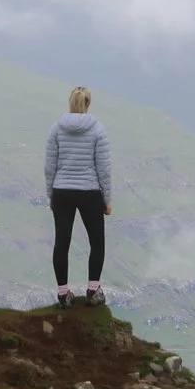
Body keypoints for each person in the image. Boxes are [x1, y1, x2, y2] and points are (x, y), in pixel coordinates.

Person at [45, 86, 112, 306]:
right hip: (89, 192)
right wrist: (107, 199)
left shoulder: (56, 129)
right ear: (88, 105)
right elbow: (103, 168)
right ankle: (93, 291)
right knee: (97, 242)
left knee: (61, 243)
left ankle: (63, 294)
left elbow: (50, 166)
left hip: (62, 191)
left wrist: (50, 195)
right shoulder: (97, 130)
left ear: (70, 103)